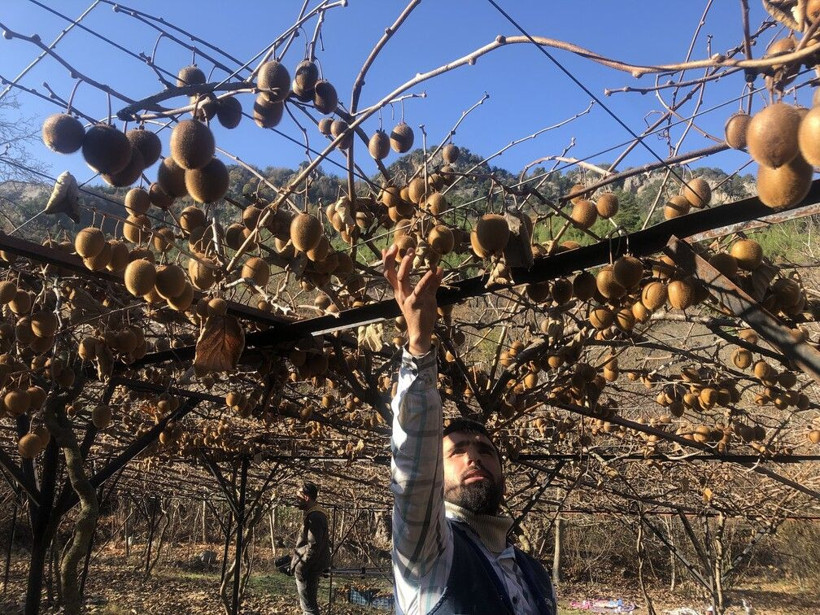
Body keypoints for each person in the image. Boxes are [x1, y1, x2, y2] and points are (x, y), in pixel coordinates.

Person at [384, 244, 557, 615]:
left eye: (485, 451)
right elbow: (412, 475)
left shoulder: (534, 574)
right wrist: (418, 346)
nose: (474, 457)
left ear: (504, 476)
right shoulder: (428, 551)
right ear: (435, 469)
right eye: (457, 450)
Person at [290, 480, 331, 615]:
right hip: (311, 567)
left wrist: (301, 567)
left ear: (306, 497)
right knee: (308, 606)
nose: (297, 500)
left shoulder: (316, 516)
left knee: (309, 609)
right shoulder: (316, 513)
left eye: (298, 497)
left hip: (309, 569)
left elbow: (313, 546)